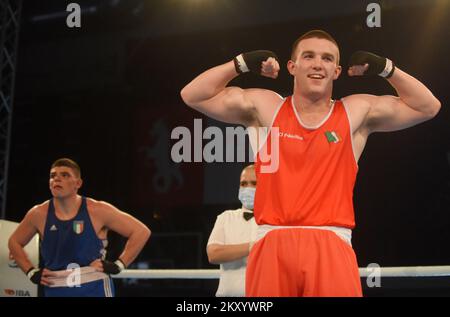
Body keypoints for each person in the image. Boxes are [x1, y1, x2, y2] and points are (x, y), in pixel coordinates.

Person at [180, 30, 441, 296]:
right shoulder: (267, 108)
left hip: (331, 243)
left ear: (336, 71)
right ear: (292, 66)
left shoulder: (354, 112)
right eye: (309, 56)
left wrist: (387, 69)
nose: (318, 63)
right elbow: (193, 95)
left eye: (327, 58)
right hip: (271, 242)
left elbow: (427, 107)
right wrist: (241, 63)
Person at [8, 158, 151, 297]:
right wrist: (31, 271)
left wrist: (119, 264)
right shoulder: (38, 214)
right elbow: (14, 242)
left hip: (94, 288)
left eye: (65, 175)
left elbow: (141, 231)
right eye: (53, 176)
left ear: (78, 183)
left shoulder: (98, 210)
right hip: (55, 288)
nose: (56, 179)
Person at [207, 164, 258, 297]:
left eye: (254, 183)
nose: (248, 188)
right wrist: (253, 247)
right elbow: (213, 254)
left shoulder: (275, 221)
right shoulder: (225, 217)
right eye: (243, 183)